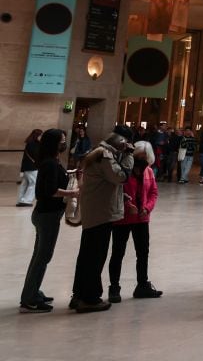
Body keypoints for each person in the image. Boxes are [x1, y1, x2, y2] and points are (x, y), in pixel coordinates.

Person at [71, 129, 134, 312]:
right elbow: (120, 177)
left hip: (96, 211)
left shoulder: (99, 152)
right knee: (95, 257)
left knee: (86, 255)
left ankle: (79, 294)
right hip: (101, 214)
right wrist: (128, 155)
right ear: (120, 144)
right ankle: (90, 298)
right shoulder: (105, 156)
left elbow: (107, 182)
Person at [20, 128, 77, 313]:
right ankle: (30, 298)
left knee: (40, 256)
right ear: (54, 143)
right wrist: (73, 193)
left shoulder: (51, 162)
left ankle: (33, 291)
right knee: (43, 257)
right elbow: (49, 191)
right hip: (48, 215)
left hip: (45, 215)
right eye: (62, 140)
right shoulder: (50, 163)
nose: (64, 143)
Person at [108, 140, 162, 302]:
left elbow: (153, 192)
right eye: (139, 156)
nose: (142, 159)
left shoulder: (149, 172)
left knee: (143, 252)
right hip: (123, 218)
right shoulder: (124, 170)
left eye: (145, 157)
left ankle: (142, 285)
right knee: (118, 253)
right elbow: (116, 191)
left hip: (142, 217)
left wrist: (147, 207)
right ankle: (114, 287)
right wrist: (127, 204)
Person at [17, 129, 42, 207]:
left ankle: (20, 200)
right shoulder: (33, 144)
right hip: (32, 167)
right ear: (37, 135)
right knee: (33, 183)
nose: (41, 137)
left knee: (25, 184)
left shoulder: (30, 143)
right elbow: (36, 155)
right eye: (41, 135)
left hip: (28, 167)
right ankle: (26, 200)